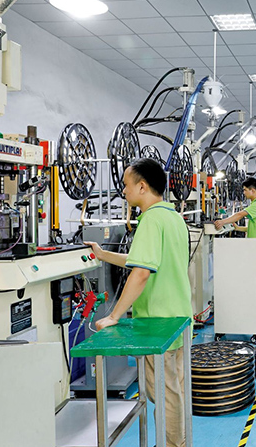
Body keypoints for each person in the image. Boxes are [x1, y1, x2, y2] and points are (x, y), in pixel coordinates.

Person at [85, 158, 192, 447]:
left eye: (126, 185)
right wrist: (103, 254)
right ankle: (177, 441)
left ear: (142, 186)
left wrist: (115, 315)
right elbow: (142, 261)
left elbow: (141, 272)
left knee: (165, 394)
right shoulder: (173, 217)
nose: (123, 191)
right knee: (176, 389)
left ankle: (175, 445)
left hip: (158, 323)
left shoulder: (151, 221)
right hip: (178, 317)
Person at [214, 177, 256, 315]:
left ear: (253, 190)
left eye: (245, 190)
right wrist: (238, 228)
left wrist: (223, 222)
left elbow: (241, 214)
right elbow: (254, 227)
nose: (244, 193)